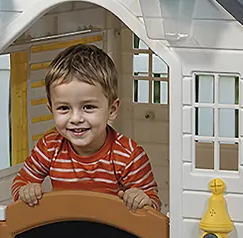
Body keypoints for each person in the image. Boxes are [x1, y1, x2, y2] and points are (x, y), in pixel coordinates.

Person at [11, 43, 161, 212]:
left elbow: (153, 204)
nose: (75, 119)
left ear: (112, 109)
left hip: (112, 234)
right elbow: (20, 183)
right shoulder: (49, 146)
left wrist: (141, 199)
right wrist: (27, 191)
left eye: (88, 107)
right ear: (51, 110)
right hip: (63, 229)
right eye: (64, 108)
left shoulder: (128, 155)